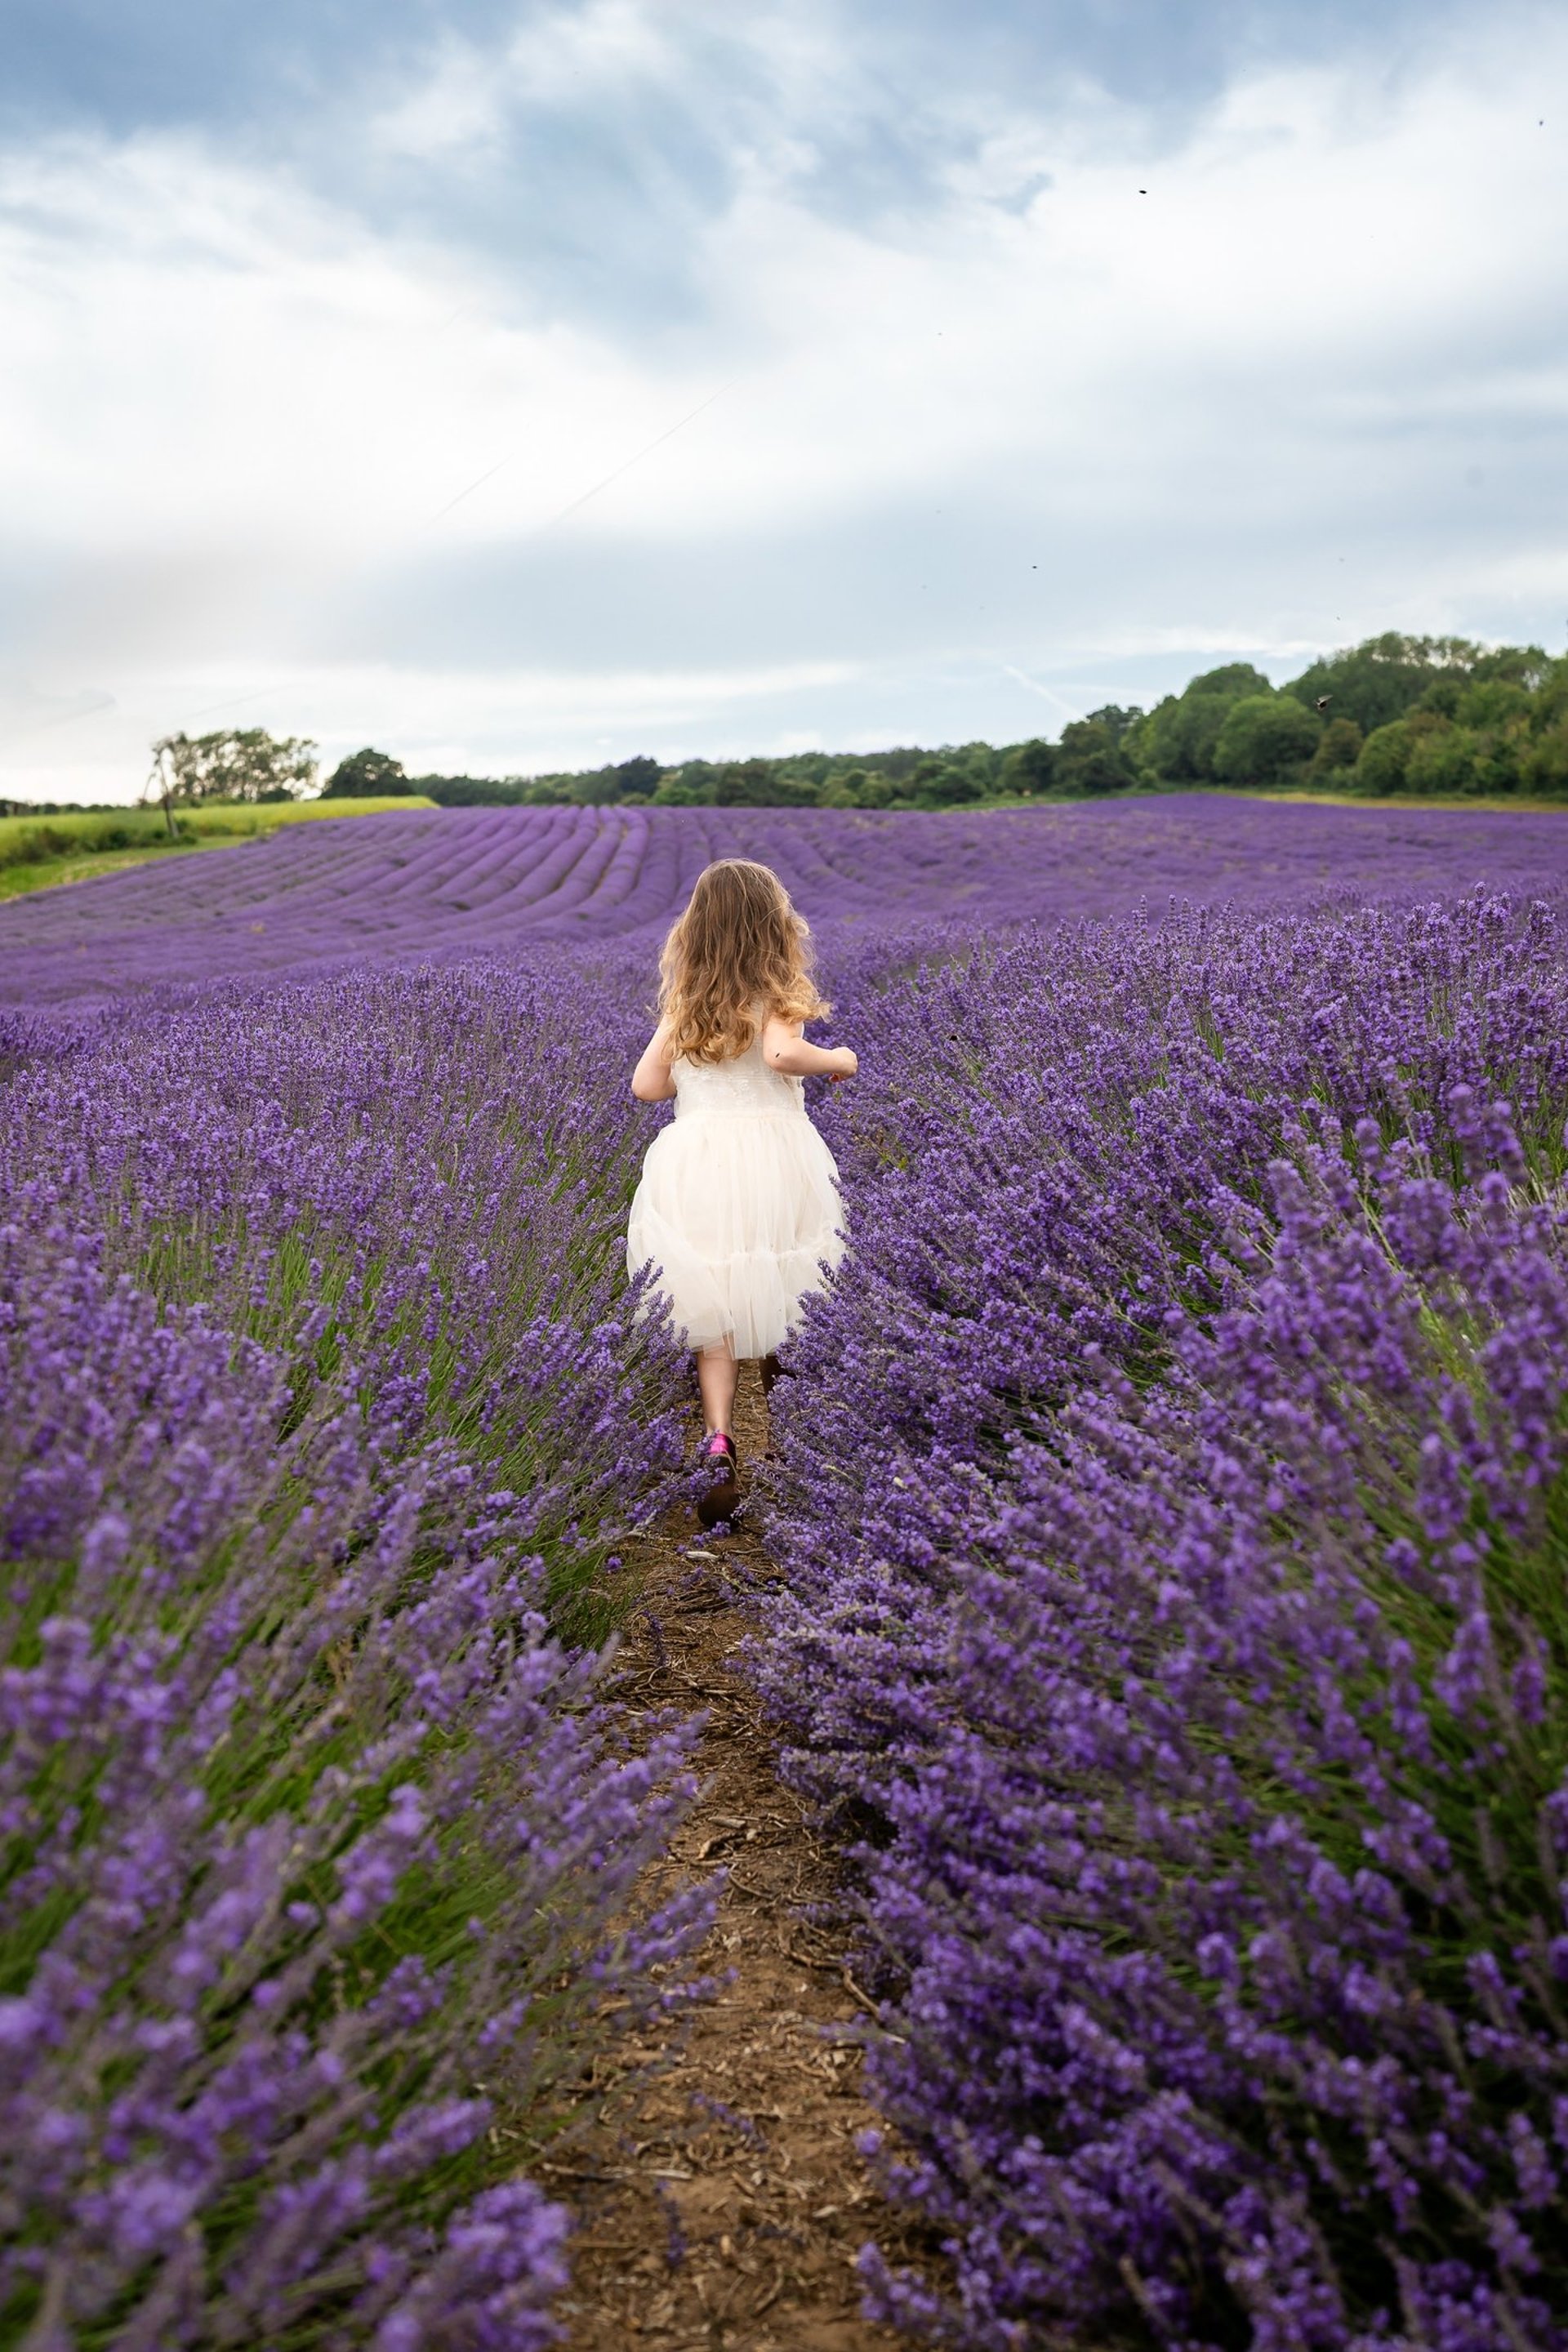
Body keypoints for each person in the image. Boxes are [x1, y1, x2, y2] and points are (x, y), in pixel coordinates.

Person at [627, 858, 856, 1526]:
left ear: (696, 931)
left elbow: (647, 1085)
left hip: (697, 1159)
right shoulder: (777, 993)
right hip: (774, 1156)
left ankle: (720, 1438)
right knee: (790, 1293)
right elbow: (783, 1056)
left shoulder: (686, 1002)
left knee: (716, 1314)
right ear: (773, 926)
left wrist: (698, 1074)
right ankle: (786, 1447)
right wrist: (839, 1060)